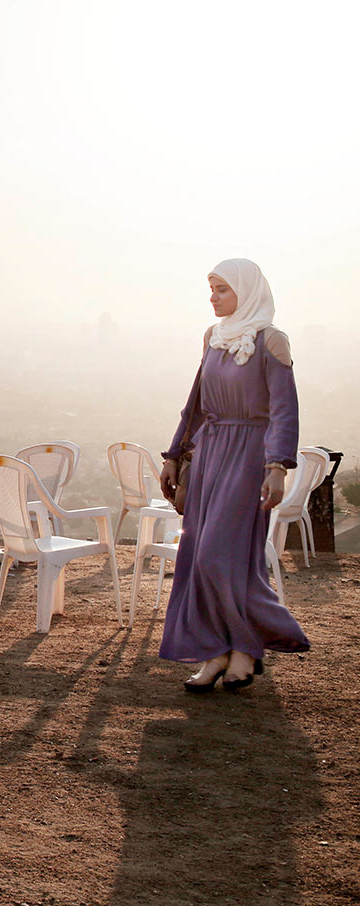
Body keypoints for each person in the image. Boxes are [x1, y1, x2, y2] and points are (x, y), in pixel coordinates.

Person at [157, 258, 310, 692]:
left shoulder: (271, 341)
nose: (213, 297)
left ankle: (247, 643)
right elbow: (196, 405)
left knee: (218, 556)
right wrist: (173, 456)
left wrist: (277, 466)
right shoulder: (213, 338)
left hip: (250, 458)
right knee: (198, 557)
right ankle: (223, 653)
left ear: (247, 290)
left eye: (222, 289)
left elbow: (284, 410)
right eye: (211, 288)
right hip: (209, 455)